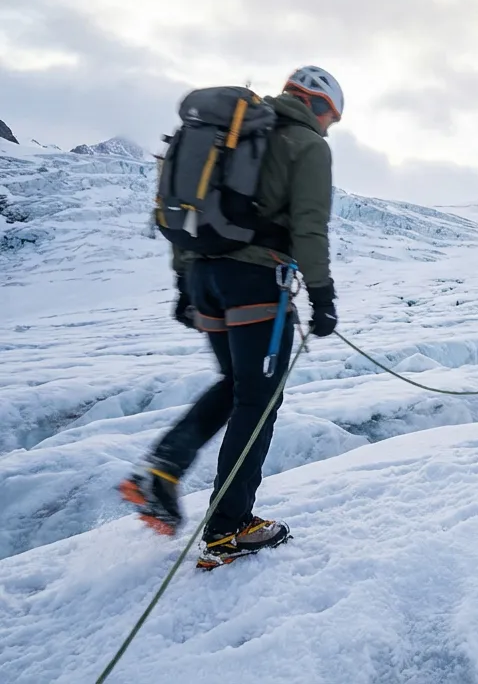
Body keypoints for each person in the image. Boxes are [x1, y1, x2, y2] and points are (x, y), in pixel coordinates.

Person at [120, 66, 343, 569]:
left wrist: (185, 283)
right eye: (331, 118)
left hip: (205, 278)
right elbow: (310, 226)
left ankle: (163, 470)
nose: (329, 127)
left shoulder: (234, 133)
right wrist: (323, 294)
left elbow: (185, 212)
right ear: (321, 106)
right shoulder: (307, 144)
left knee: (237, 384)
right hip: (255, 284)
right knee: (258, 401)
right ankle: (229, 528)